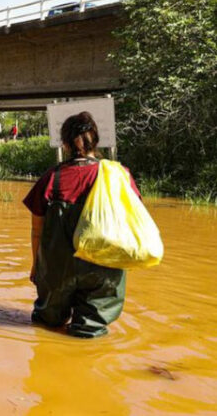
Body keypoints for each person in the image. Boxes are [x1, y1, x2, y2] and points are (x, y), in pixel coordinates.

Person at [22, 111, 141, 338]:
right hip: (105, 266)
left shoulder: (52, 178)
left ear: (65, 144)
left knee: (47, 325)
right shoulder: (119, 175)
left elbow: (37, 230)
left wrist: (36, 265)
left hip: (58, 269)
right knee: (90, 331)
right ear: (96, 141)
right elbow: (134, 221)